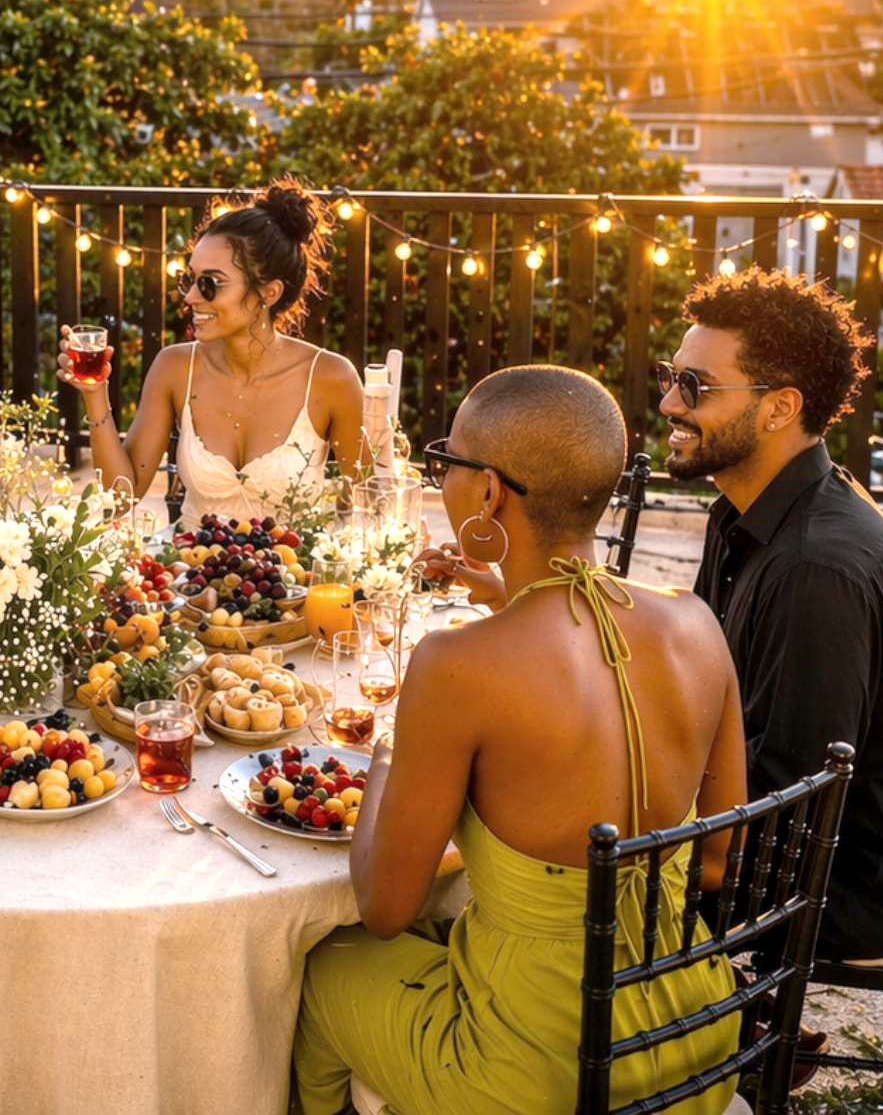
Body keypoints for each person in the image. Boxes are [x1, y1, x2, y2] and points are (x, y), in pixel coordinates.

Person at [294, 365, 746, 1115]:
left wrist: (387, 750)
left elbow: (384, 908)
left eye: (449, 463)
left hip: (538, 1074)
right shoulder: (696, 623)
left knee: (328, 963)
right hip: (694, 1040)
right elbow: (717, 861)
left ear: (488, 492)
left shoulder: (455, 665)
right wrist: (504, 592)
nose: (443, 478)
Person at [665, 266, 883, 964]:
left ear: (780, 408)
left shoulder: (817, 569)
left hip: (875, 889)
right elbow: (700, 683)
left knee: (557, 858)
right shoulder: (747, 513)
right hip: (820, 840)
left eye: (694, 385)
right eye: (671, 375)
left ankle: (675, 1040)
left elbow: (783, 815)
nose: (667, 402)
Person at [59, 178, 365, 529]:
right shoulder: (174, 367)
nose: (190, 297)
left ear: (268, 292)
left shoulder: (330, 378)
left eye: (210, 284)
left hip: (293, 580)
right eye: (188, 280)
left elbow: (376, 502)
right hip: (189, 576)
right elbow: (120, 498)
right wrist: (96, 396)